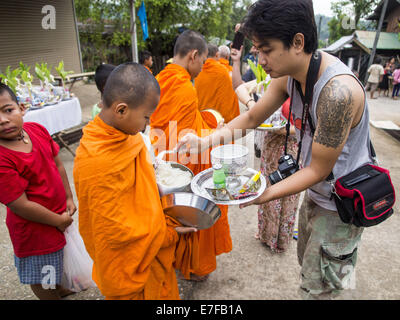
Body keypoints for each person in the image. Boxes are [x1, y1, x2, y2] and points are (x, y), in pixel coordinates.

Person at [177, 0, 374, 300]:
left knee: (323, 288)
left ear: (297, 42)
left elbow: (318, 169)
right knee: (311, 272)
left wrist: (262, 193)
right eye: (257, 49)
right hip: (318, 194)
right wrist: (204, 142)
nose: (260, 58)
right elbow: (254, 117)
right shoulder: (288, 74)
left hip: (340, 207)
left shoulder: (338, 93)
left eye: (266, 49)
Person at [73, 63, 196, 300]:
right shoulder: (94, 159)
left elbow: (145, 190)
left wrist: (163, 220)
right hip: (126, 267)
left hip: (152, 253)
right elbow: (114, 233)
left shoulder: (130, 138)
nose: (146, 126)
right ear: (121, 110)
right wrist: (165, 234)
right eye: (146, 117)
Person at [150, 30, 232, 281]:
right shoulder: (184, 87)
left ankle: (175, 257)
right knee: (194, 207)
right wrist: (211, 132)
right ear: (194, 56)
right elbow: (185, 139)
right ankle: (194, 267)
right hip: (184, 161)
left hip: (161, 158)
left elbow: (166, 126)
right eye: (203, 62)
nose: (202, 69)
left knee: (169, 210)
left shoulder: (159, 78)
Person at [0, 83, 76, 300]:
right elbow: (20, 204)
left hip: (58, 216)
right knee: (43, 274)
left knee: (57, 260)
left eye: (8, 110)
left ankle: (59, 289)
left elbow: (58, 164)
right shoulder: (2, 158)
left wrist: (69, 197)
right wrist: (57, 221)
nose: (3, 119)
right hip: (34, 231)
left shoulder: (37, 130)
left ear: (22, 108)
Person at [236, 79, 300, 252]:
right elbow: (242, 88)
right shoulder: (273, 81)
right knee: (268, 185)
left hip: (292, 147)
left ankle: (281, 239)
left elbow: (311, 126)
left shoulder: (304, 84)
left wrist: (286, 130)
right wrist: (252, 104)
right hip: (272, 144)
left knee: (288, 193)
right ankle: (266, 234)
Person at [195, 43, 240, 123]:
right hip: (221, 121)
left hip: (203, 119)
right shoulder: (224, 71)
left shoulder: (198, 72)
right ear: (217, 55)